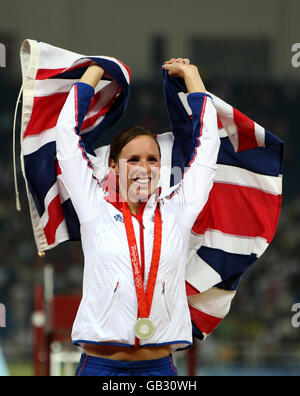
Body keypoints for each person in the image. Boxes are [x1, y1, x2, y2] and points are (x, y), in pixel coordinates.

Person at [55, 58, 220, 376]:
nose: (144, 168)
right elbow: (66, 140)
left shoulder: (178, 211)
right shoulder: (94, 209)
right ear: (113, 167)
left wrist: (193, 77)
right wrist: (94, 72)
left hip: (159, 369)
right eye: (133, 159)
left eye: (153, 159)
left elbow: (209, 144)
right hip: (100, 368)